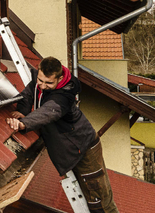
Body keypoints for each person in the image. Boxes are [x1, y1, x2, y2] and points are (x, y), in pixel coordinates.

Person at [6, 57, 118, 213]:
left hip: (84, 148)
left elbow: (50, 111)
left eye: (49, 83)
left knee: (98, 199)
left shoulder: (65, 94)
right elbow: (29, 93)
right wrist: (22, 112)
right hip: (71, 148)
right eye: (41, 80)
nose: (43, 86)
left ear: (59, 79)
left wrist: (24, 123)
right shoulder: (39, 80)